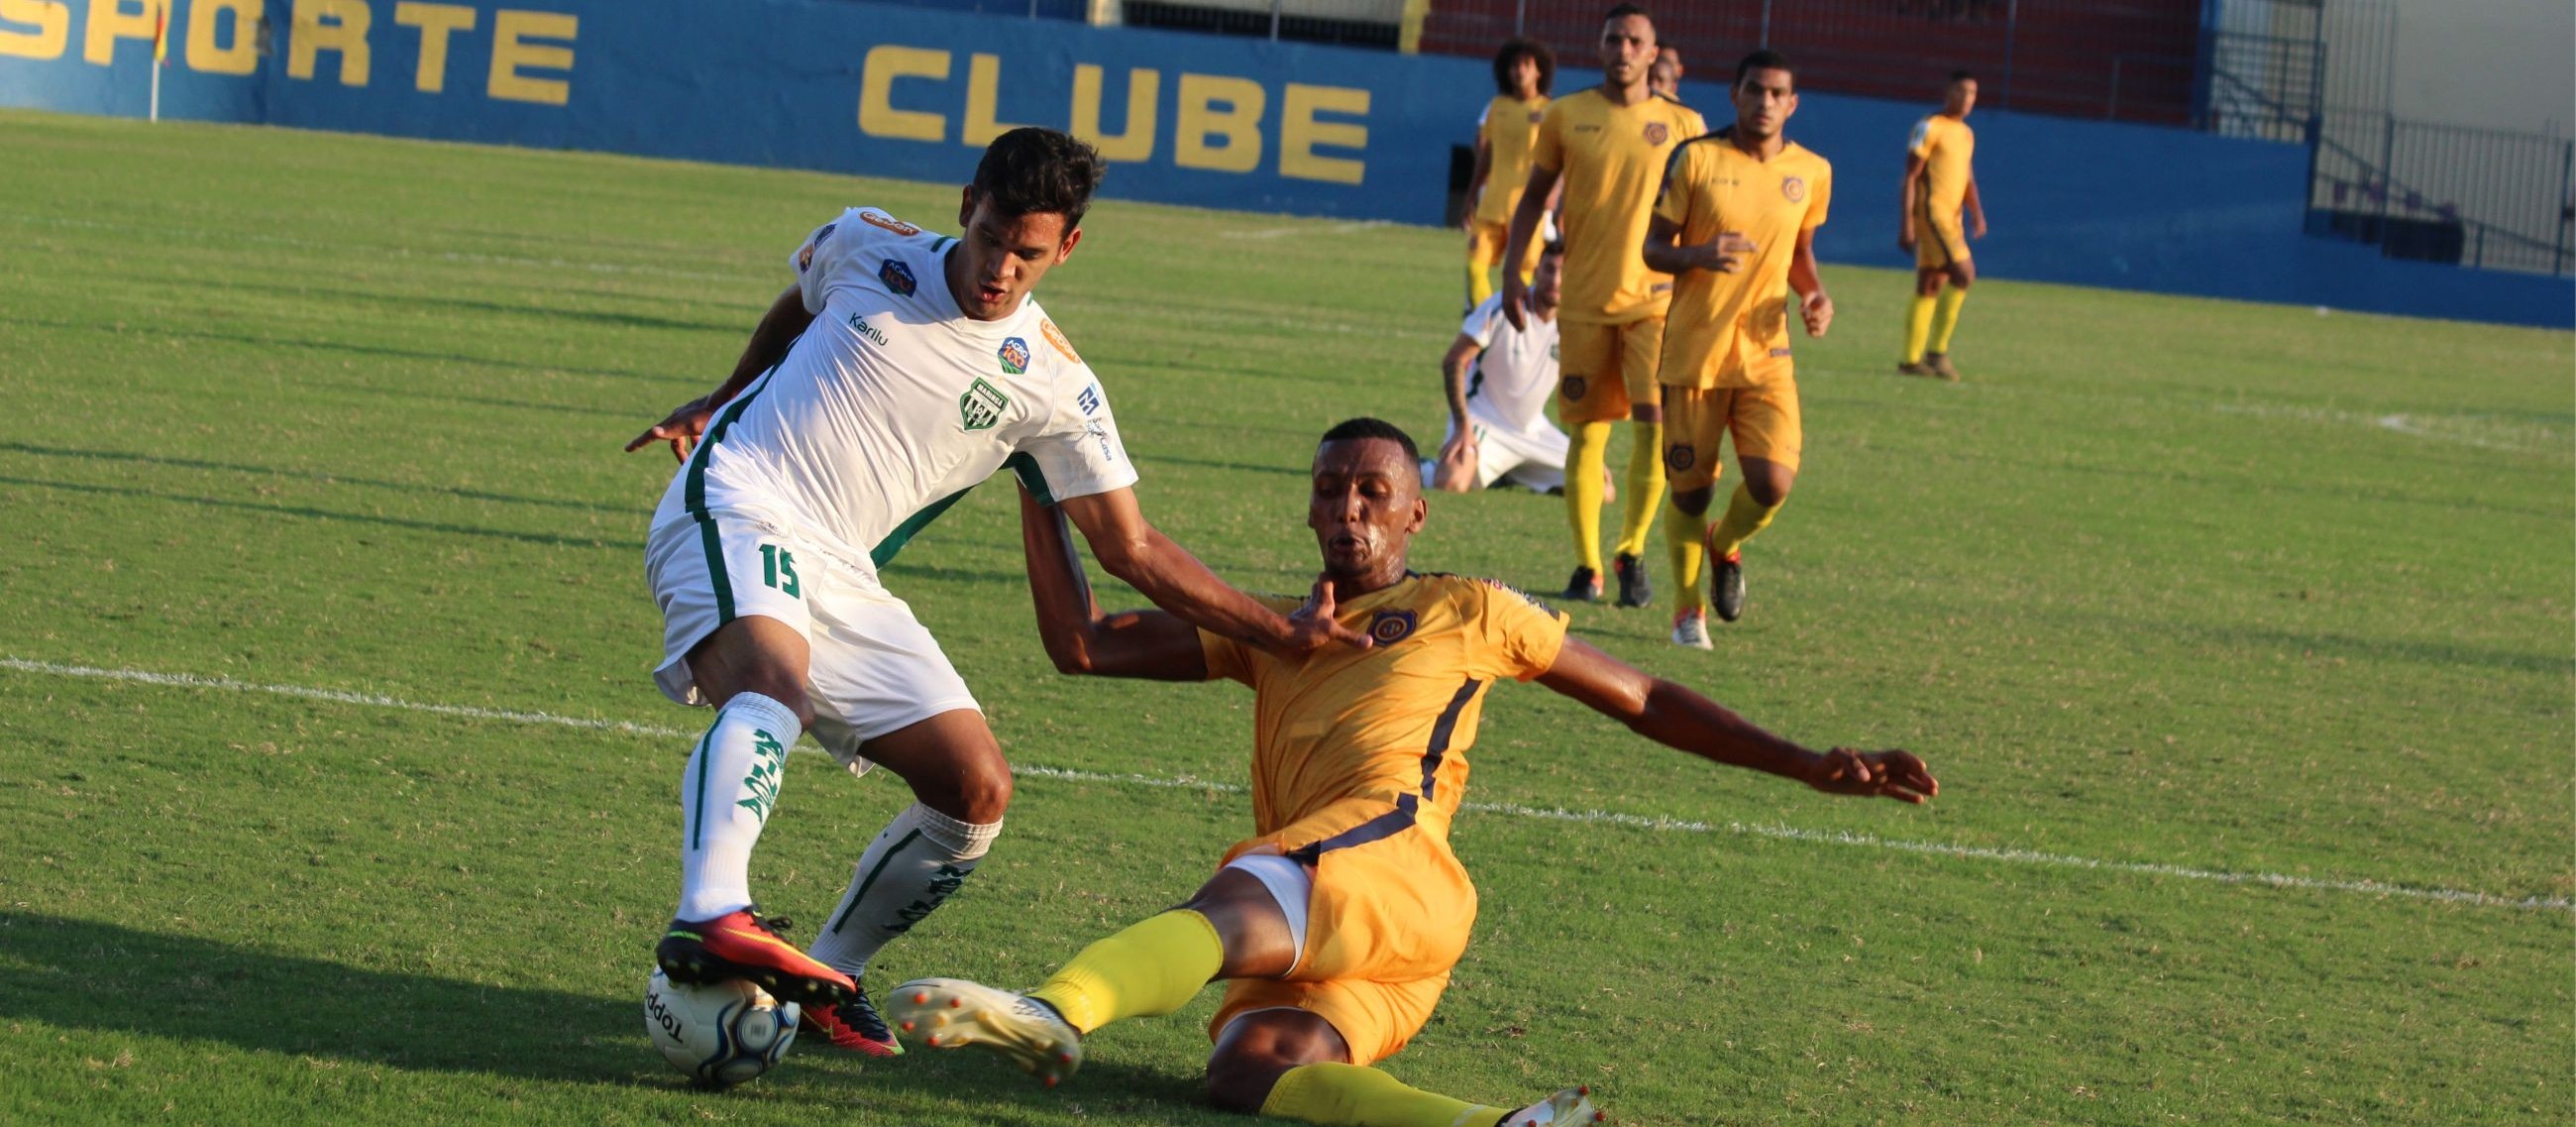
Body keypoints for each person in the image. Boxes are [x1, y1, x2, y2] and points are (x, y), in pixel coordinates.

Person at [886, 418, 1937, 1127]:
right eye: (1330, 490)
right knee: (1246, 1069)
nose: (1349, 508)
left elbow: (1644, 697)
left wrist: (1805, 764)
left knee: (1233, 899)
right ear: (1306, 509)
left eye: (1372, 492)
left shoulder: (1466, 609)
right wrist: (1043, 484)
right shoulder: (1270, 633)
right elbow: (1080, 644)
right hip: (1365, 935)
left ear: (1413, 514)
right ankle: (1501, 1126)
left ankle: (1055, 1009)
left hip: (1386, 864)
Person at [620, 127, 1365, 1058]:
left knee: (974, 790)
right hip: (738, 498)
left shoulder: (1057, 386)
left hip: (841, 569)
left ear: (1069, 248)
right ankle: (712, 908)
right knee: (772, 686)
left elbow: (1128, 545)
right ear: (967, 203)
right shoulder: (869, 242)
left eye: (1030, 253)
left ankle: (828, 974)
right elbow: (797, 305)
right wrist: (723, 393)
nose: (1002, 269)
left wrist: (1277, 630)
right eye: (992, 239)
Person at [1502, 4, 1705, 609]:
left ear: (1652, 53)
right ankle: (1588, 566)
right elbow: (1533, 199)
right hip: (1585, 301)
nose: (1622, 48)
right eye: (1613, 38)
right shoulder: (1567, 114)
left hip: (1656, 301)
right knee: (1587, 436)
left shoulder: (1686, 123)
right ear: (1600, 48)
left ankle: (1632, 550)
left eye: (1634, 40)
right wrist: (1515, 271)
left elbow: (1703, 211)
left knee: (1654, 428)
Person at [1641, 51, 1833, 642]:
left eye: (1778, 93)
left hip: (1766, 351)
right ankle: (1687, 607)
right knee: (1690, 494)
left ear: (1792, 103)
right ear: (1735, 94)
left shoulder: (1812, 171)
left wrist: (1815, 295)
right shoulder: (1696, 157)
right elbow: (1653, 248)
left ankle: (1726, 544)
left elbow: (1798, 255)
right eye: (1755, 90)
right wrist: (1697, 255)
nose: (1765, 102)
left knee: (1772, 483)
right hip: (1694, 353)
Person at [1425, 242, 1583, 496]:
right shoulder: (1505, 307)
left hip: (1532, 431)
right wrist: (1461, 424)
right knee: (1451, 482)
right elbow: (1453, 360)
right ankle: (1427, 470)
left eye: (1564, 271)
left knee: (1601, 488)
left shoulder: (1575, 323)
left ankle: (1508, 472)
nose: (1556, 280)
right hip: (1483, 421)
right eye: (1549, 269)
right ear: (1536, 270)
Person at [1898, 70, 1985, 381]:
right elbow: (1910, 175)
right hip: (1932, 214)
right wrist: (1906, 223)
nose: (1967, 99)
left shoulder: (1965, 133)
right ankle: (1937, 353)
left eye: (1972, 93)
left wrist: (1976, 211)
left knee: (1930, 284)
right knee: (1964, 273)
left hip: (1953, 217)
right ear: (1947, 92)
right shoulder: (1928, 127)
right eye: (1961, 91)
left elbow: (1967, 176)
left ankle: (1910, 361)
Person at [1462, 39, 1556, 309]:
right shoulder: (1497, 107)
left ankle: (1515, 331)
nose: (1519, 71)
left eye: (1526, 65)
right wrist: (1470, 196)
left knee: (1523, 278)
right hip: (1491, 204)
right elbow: (1486, 154)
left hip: (1527, 209)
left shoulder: (1548, 110)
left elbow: (1559, 159)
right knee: (1474, 267)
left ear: (1539, 71)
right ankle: (1486, 324)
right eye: (1514, 65)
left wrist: (1556, 193)